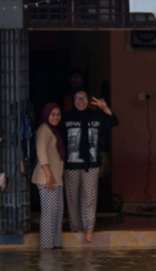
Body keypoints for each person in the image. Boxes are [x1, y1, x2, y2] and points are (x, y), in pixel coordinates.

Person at [62, 90, 119, 242]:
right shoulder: (66, 118)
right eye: (77, 98)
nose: (81, 101)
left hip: (92, 163)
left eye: (84, 98)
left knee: (89, 197)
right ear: (72, 100)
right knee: (73, 197)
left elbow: (113, 122)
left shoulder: (96, 116)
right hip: (71, 164)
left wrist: (104, 107)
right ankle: (76, 227)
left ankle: (89, 229)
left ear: (88, 100)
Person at [32, 103, 65, 250]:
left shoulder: (53, 131)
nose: (56, 117)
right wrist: (49, 176)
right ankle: (46, 247)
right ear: (46, 115)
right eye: (52, 114)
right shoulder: (44, 129)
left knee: (57, 213)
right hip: (47, 179)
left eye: (58, 114)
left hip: (55, 179)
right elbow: (41, 153)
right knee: (49, 213)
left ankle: (55, 245)